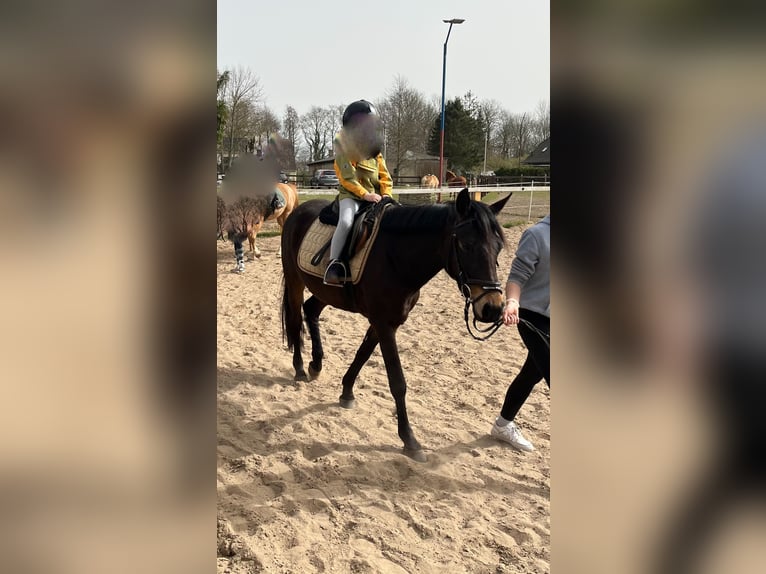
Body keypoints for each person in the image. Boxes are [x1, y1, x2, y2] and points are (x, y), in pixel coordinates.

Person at [491, 214, 550, 451]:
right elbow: (516, 277)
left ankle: (503, 425)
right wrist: (512, 302)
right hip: (533, 315)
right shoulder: (536, 235)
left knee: (532, 372)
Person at [324, 100, 393, 286]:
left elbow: (384, 175)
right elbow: (347, 178)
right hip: (352, 196)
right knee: (346, 221)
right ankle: (334, 264)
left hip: (377, 197)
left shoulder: (374, 148)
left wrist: (386, 194)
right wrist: (365, 195)